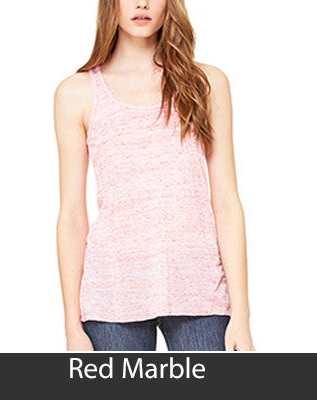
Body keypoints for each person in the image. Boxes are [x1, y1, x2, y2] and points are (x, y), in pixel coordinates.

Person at [53, 0, 255, 351]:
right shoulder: (77, 93)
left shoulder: (206, 84)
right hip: (112, 292)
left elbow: (226, 201)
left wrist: (242, 314)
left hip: (200, 289)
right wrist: (72, 325)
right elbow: (72, 214)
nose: (142, 3)